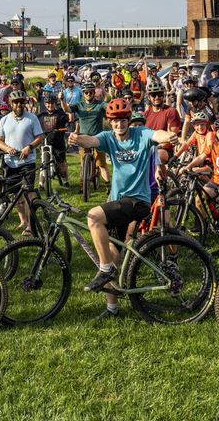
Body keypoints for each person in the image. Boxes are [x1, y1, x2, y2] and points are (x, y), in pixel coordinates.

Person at [68, 98, 178, 320]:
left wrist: (168, 136)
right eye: (115, 121)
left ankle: (105, 269)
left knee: (93, 217)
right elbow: (92, 140)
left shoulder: (141, 134)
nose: (119, 124)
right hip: (118, 200)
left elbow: (157, 135)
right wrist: (77, 139)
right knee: (110, 254)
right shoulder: (109, 138)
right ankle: (112, 307)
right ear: (110, 122)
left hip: (137, 201)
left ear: (129, 120)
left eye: (123, 120)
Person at [180, 116, 219, 256]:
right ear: (216, 133)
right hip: (215, 181)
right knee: (199, 199)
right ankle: (205, 227)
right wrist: (188, 167)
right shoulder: (213, 146)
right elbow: (201, 157)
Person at [0, 90, 44, 234]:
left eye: (21, 102)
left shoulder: (32, 118)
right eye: (16, 102)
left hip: (27, 162)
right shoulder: (4, 120)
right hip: (10, 162)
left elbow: (40, 136)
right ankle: (23, 220)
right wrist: (7, 148)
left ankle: (30, 224)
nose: (19, 105)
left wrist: (30, 147)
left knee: (29, 193)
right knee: (15, 195)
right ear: (10, 104)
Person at [70, 84, 110, 191]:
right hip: (83, 138)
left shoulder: (100, 104)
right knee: (83, 163)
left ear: (94, 92)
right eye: (86, 92)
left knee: (101, 164)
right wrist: (61, 100)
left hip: (98, 138)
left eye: (91, 92)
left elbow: (109, 108)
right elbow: (68, 109)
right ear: (83, 94)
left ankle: (108, 186)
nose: (88, 94)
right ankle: (83, 185)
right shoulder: (79, 105)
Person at [37, 92, 70, 186]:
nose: (50, 105)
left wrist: (65, 127)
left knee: (61, 162)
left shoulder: (60, 114)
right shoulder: (40, 115)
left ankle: (65, 180)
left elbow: (68, 119)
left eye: (52, 103)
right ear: (45, 104)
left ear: (55, 103)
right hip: (45, 141)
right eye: (48, 103)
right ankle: (41, 184)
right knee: (43, 162)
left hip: (58, 142)